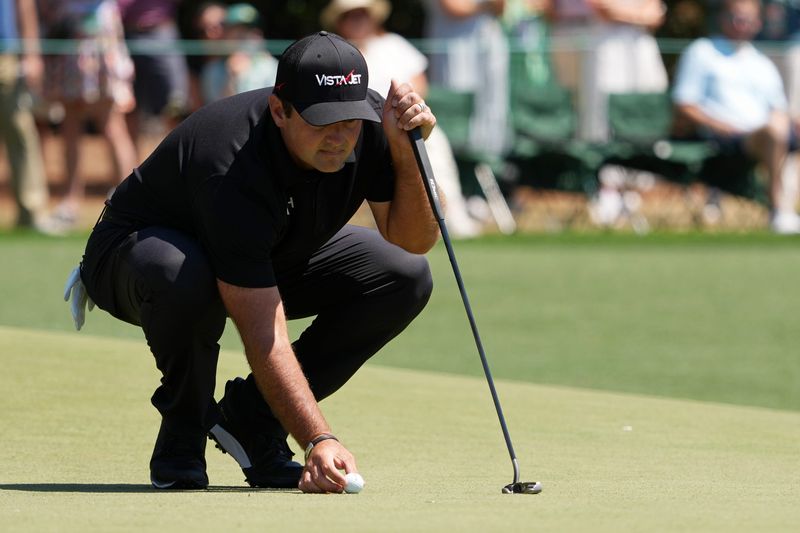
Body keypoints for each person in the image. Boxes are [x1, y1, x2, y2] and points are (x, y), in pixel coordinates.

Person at [63, 31, 439, 492]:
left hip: (269, 247)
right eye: (322, 122)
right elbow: (263, 332)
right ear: (279, 110)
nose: (340, 138)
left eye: (350, 121)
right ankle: (183, 431)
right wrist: (318, 436)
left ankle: (252, 418)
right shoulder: (232, 164)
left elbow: (413, 240)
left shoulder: (370, 129)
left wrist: (408, 157)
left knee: (403, 276)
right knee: (185, 276)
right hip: (134, 256)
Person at [323, 0, 481, 237]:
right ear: (340, 21)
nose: (357, 20)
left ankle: (454, 221)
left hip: (404, 122)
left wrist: (405, 112)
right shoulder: (334, 53)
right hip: (359, 130)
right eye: (350, 15)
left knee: (436, 146)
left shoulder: (394, 45)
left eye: (362, 14)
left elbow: (419, 84)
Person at [672, 0, 800, 234]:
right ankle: (779, 210)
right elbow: (684, 104)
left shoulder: (761, 62)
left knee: (778, 128)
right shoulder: (702, 52)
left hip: (767, 134)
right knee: (775, 131)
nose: (742, 24)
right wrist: (719, 125)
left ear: (758, 23)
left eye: (748, 19)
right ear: (722, 18)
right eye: (736, 17)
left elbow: (779, 109)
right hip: (723, 138)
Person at [39, 0, 139, 229]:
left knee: (111, 123)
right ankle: (69, 204)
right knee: (70, 125)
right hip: (68, 30)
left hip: (98, 31)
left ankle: (130, 202)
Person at [423, 0, 510, 157]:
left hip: (489, 44)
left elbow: (501, 7)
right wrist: (485, 5)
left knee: (493, 103)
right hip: (455, 49)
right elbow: (454, 7)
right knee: (457, 105)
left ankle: (491, 157)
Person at [0, 0, 52, 232]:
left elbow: (24, 4)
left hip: (6, 56)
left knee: (19, 129)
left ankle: (32, 214)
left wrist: (32, 53)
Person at [118, 0, 190, 140]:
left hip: (161, 32)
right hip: (125, 34)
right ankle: (133, 162)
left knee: (175, 104)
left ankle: (179, 155)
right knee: (127, 105)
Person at [200, 3, 278, 103]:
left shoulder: (271, 67)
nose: (242, 36)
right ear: (226, 34)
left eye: (248, 30)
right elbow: (216, 112)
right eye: (236, 31)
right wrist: (232, 78)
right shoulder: (212, 70)